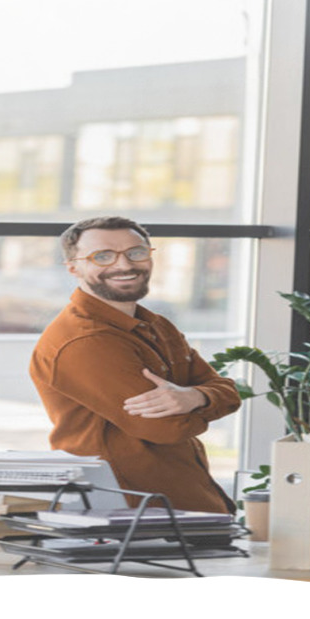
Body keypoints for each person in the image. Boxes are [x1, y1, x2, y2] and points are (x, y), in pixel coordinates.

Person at [29, 216, 241, 513]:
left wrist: (195, 397)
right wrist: (203, 403)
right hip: (127, 515)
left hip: (187, 505)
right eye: (102, 256)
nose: (124, 265)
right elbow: (168, 428)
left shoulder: (155, 324)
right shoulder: (85, 341)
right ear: (74, 267)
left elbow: (228, 391)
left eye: (136, 252)